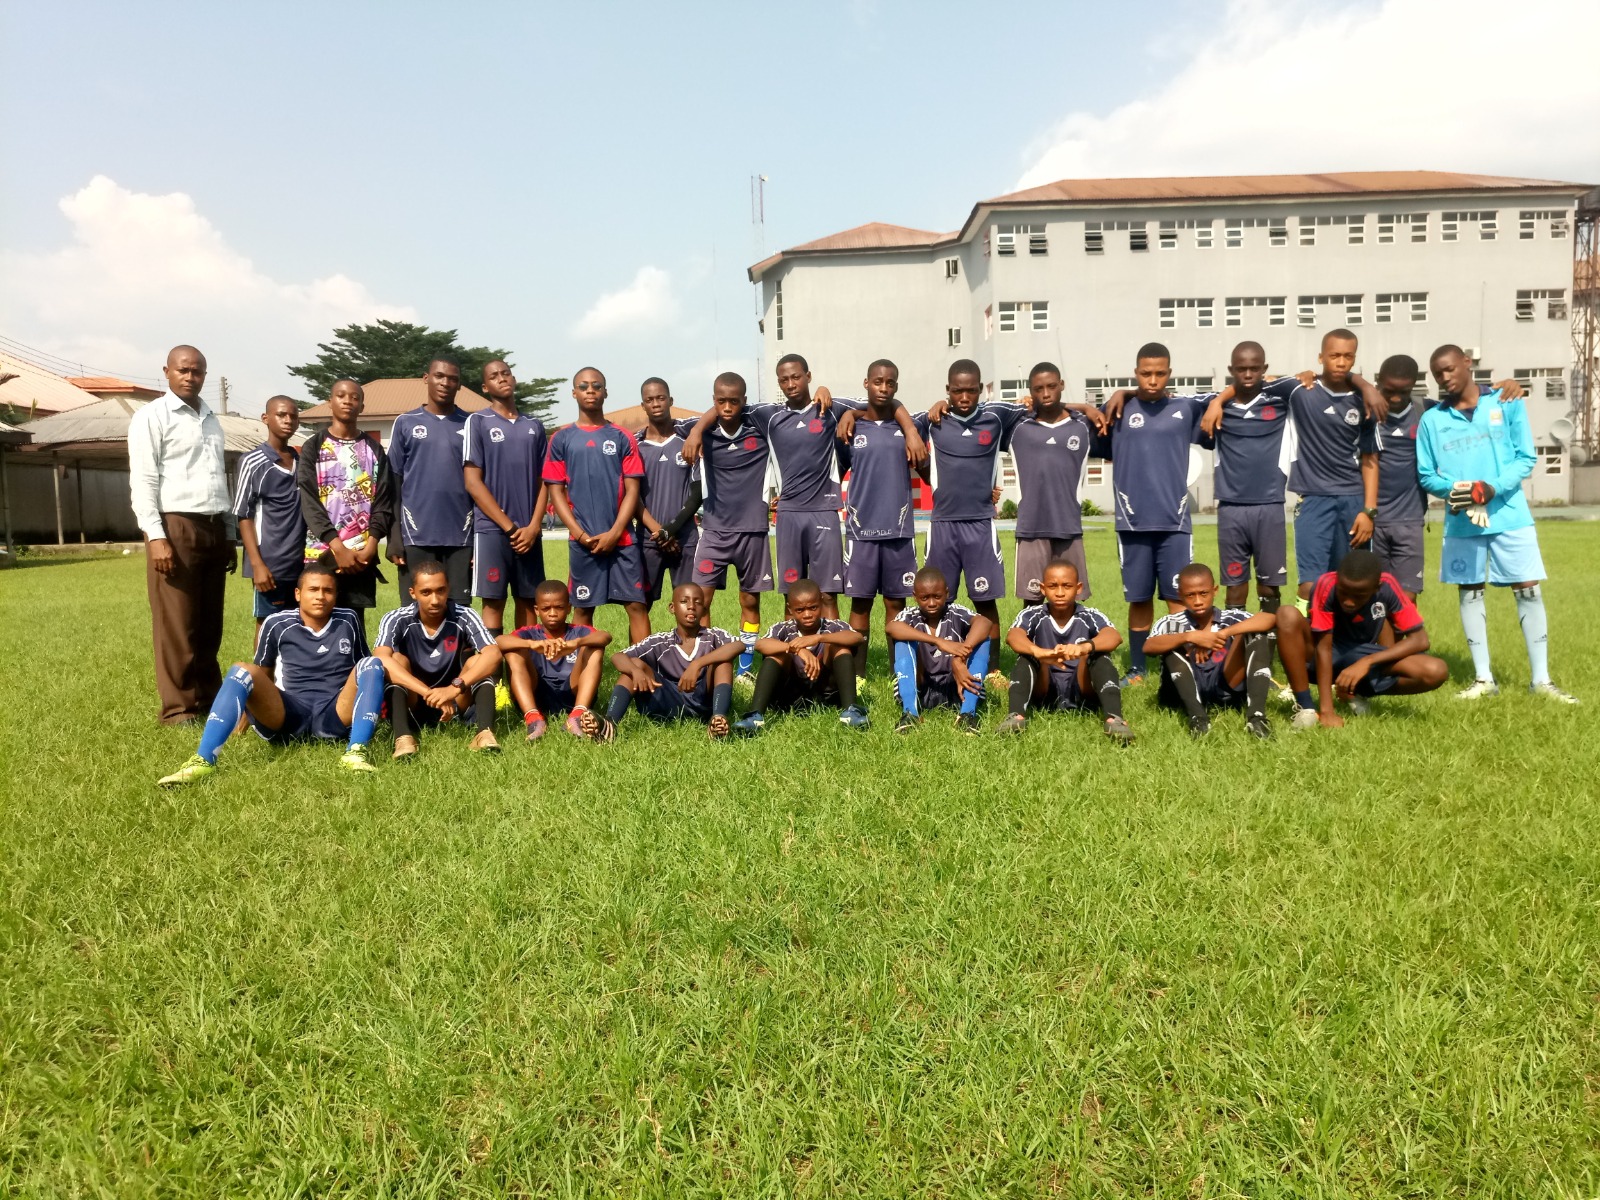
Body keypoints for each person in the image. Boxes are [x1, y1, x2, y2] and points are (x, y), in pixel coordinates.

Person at [1419, 345, 1578, 703]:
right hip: (1463, 521)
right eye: (1437, 373)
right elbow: (1427, 475)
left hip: (1510, 516)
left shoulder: (1506, 401)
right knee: (1469, 591)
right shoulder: (1432, 420)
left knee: (1528, 589)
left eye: (1449, 369)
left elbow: (1526, 458)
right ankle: (1483, 679)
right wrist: (1461, 492)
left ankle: (1542, 680)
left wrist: (1492, 488)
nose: (1444, 377)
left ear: (1467, 363)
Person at [156, 561, 385, 784]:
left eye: (328, 591)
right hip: (290, 714)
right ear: (298, 594)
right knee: (242, 670)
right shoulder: (277, 623)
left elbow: (361, 669)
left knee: (372, 663)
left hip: (335, 713)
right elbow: (261, 675)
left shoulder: (348, 619)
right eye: (313, 589)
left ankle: (356, 752)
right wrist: (248, 713)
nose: (320, 596)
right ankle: (203, 759)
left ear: (336, 595)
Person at [1206, 330, 1385, 603]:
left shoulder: (1364, 401)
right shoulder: (1298, 389)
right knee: (1310, 586)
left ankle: (1350, 632)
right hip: (1312, 498)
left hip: (1353, 499)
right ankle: (1308, 632)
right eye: (1334, 355)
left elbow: (1370, 460)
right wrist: (1217, 401)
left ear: (1354, 358)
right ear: (1321, 357)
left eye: (1348, 356)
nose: (1340, 362)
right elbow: (1250, 383)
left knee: (1353, 582)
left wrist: (1368, 511)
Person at [128, 344, 236, 725]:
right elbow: (144, 481)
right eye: (183, 370)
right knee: (177, 621)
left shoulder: (211, 418)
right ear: (167, 372)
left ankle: (207, 699)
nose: (191, 377)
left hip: (213, 525)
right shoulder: (151, 417)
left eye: (197, 371)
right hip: (176, 525)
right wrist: (156, 536)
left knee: (209, 622)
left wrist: (228, 533)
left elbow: (218, 479)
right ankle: (179, 708)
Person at [1096, 343, 1215, 685]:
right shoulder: (1117, 410)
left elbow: (1226, 395)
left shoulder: (1185, 408)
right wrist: (1122, 393)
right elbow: (1081, 418)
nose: (1152, 380)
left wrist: (1220, 401)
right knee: (1139, 598)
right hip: (1132, 523)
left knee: (1178, 597)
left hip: (1175, 522)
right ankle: (1137, 668)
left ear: (1169, 373)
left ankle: (1180, 665)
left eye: (1160, 373)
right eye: (1145, 374)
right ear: (1136, 373)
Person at [912, 360, 1026, 684]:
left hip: (980, 524)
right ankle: (933, 666)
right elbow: (901, 422)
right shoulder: (932, 421)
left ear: (980, 390)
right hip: (943, 525)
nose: (964, 397)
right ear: (947, 390)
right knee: (936, 602)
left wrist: (1028, 400)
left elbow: (1031, 408)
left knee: (984, 600)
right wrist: (934, 408)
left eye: (971, 390)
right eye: (957, 391)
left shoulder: (996, 416)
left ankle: (992, 669)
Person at [1276, 549, 1448, 729]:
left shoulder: (1388, 585)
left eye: (1359, 596)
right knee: (1287, 614)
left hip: (1360, 655)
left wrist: (1367, 662)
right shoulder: (1326, 584)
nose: (1348, 601)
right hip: (1321, 657)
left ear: (1377, 587)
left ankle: (1354, 691)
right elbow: (1323, 648)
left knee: (1435, 670)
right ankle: (1306, 708)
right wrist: (1327, 711)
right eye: (1343, 592)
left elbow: (1420, 640)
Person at [542, 367, 651, 645]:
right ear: (574, 393)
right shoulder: (561, 439)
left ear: (605, 392)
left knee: (636, 606)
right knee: (583, 609)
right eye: (583, 386)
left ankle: (643, 667)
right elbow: (555, 491)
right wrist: (579, 534)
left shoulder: (622, 437)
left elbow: (633, 491)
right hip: (584, 543)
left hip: (622, 541)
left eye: (596, 386)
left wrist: (615, 532)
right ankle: (582, 670)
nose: (590, 390)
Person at [837, 360, 921, 679]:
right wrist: (852, 412)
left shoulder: (908, 427)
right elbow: (836, 470)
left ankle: (899, 673)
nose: (883, 388)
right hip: (861, 533)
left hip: (899, 532)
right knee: (860, 606)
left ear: (896, 386)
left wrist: (910, 429)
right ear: (866, 383)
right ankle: (857, 677)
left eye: (890, 383)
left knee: (896, 606)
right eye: (877, 382)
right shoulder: (851, 429)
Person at [374, 561, 504, 758]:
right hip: (414, 701)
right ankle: (403, 737)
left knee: (479, 661)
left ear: (448, 589)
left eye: (440, 591)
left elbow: (494, 654)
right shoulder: (396, 618)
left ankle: (484, 733)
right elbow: (380, 657)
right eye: (426, 592)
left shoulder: (464, 615)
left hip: (454, 701)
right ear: (413, 593)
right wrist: (428, 693)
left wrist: (453, 689)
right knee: (396, 659)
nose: (434, 600)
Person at [584, 583, 741, 741]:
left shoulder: (714, 636)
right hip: (669, 702)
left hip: (706, 702)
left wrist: (697, 664)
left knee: (723, 661)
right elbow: (617, 657)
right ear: (672, 608)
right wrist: (635, 671)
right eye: (684, 601)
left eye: (698, 602)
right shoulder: (660, 642)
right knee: (634, 664)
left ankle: (718, 720)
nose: (691, 607)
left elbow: (739, 645)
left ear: (704, 609)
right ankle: (609, 723)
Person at [999, 559, 1132, 743]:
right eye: (1053, 586)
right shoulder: (1032, 614)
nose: (1060, 593)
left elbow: (1113, 636)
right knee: (1026, 656)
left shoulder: (1090, 615)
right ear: (1043, 589)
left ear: (1078, 588)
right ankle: (1015, 717)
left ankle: (1114, 719)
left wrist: (1083, 647)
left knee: (1100, 655)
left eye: (1067, 586)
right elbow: (1013, 636)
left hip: (1082, 688)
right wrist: (1039, 652)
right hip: (1045, 688)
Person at [296, 378, 393, 631]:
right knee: (317, 623)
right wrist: (337, 547)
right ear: (330, 402)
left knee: (352, 624)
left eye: (354, 397)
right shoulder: (313, 447)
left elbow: (383, 501)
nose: (348, 401)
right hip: (322, 553)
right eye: (341, 396)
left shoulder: (373, 449)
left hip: (361, 557)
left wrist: (371, 545)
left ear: (362, 406)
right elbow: (309, 502)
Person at [1203, 341, 1292, 613]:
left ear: (1265, 368)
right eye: (1241, 369)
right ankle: (1236, 635)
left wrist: (1219, 398)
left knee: (1269, 585)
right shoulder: (1214, 406)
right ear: (1231, 370)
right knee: (1235, 584)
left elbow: (1309, 382)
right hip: (1231, 507)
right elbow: (1171, 398)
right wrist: (1217, 401)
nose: (1249, 374)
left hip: (1270, 504)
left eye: (1255, 368)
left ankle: (1267, 638)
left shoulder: (1281, 400)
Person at [464, 359, 548, 644]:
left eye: (506, 373)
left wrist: (534, 526)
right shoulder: (478, 422)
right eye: (494, 376)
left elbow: (545, 481)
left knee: (528, 600)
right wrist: (510, 528)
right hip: (493, 530)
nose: (501, 378)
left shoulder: (534, 426)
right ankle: (494, 668)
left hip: (529, 533)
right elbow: (473, 482)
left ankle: (523, 665)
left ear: (513, 379)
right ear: (485, 387)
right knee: (493, 601)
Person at [1001, 363, 1097, 608]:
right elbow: (983, 417)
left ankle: (1072, 636)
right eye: (1038, 389)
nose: (1045, 393)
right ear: (1030, 392)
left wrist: (1085, 407)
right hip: (1031, 528)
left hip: (1069, 527)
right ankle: (1031, 636)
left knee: (1072, 602)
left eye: (1052, 386)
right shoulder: (1017, 427)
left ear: (1061, 385)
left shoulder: (1083, 426)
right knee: (1032, 602)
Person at [1144, 562, 1277, 738]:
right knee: (1171, 644)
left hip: (1225, 685)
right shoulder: (1169, 622)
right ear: (1180, 595)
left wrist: (1222, 634)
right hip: (1184, 689)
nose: (1198, 601)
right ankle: (1197, 719)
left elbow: (1269, 619)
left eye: (1203, 593)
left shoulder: (1231, 617)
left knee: (1254, 634)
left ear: (1215, 591)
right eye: (1190, 595)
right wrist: (1190, 637)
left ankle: (1257, 717)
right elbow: (1149, 647)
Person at [388, 356, 473, 603]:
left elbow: (482, 484)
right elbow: (393, 484)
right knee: (415, 609)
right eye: (439, 376)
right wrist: (394, 537)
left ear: (459, 385)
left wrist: (479, 540)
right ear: (426, 378)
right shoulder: (405, 422)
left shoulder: (471, 424)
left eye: (453, 379)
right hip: (416, 535)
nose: (445, 383)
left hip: (461, 536)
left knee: (458, 609)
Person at [734, 577, 868, 734]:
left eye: (813, 608)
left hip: (827, 693)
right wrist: (795, 649)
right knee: (776, 654)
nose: (807, 614)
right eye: (800, 610)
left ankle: (851, 711)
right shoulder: (783, 629)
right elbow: (760, 644)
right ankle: (755, 716)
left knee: (840, 647)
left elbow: (857, 638)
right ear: (790, 609)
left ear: (821, 602)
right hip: (789, 696)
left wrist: (819, 638)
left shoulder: (833, 625)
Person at [496, 579, 613, 741]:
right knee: (514, 651)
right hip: (536, 694)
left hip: (573, 692)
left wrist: (576, 643)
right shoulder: (529, 633)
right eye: (546, 608)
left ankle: (577, 715)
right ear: (537, 610)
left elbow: (605, 636)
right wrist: (531, 644)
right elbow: (499, 641)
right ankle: (533, 718)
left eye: (559, 607)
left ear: (569, 608)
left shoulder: (578, 632)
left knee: (594, 648)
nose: (552, 613)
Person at [886, 565, 993, 734]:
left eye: (937, 596)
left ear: (947, 593)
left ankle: (967, 714)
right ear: (915, 596)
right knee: (902, 640)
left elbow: (984, 623)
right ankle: (910, 713)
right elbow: (891, 628)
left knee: (983, 639)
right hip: (921, 688)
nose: (931, 603)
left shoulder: (955, 612)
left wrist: (959, 658)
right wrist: (939, 642)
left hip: (957, 688)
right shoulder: (909, 615)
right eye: (924, 598)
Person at [234, 396, 305, 634]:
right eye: (281, 415)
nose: (288, 421)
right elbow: (243, 515)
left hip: (301, 562)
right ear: (265, 418)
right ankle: (263, 662)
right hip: (270, 563)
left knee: (299, 625)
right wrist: (257, 565)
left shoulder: (302, 461)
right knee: (268, 625)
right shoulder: (252, 461)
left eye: (293, 416)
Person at [632, 377, 702, 611]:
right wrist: (659, 531)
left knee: (692, 604)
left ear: (670, 400)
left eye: (661, 398)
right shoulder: (635, 446)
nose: (656, 404)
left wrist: (670, 529)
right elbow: (631, 496)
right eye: (650, 400)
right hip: (648, 539)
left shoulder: (688, 441)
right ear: (643, 405)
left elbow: (697, 493)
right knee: (641, 606)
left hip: (685, 538)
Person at [1369, 355, 1432, 601]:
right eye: (1389, 391)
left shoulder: (1426, 411)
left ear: (1413, 386)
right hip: (1370, 521)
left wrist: (1497, 388)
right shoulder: (1364, 412)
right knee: (1373, 597)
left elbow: (1466, 403)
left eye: (1403, 392)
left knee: (1407, 599)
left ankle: (1406, 630)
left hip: (1410, 520)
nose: (1395, 398)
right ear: (1378, 383)